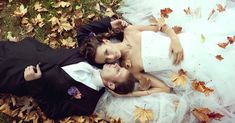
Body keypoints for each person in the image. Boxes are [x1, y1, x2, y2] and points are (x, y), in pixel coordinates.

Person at [77, 0, 235, 122]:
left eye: (107, 52)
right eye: (106, 59)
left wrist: (174, 39)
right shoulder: (130, 68)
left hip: (186, 42)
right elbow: (165, 89)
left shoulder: (130, 31)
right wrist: (133, 94)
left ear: (106, 42)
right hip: (191, 67)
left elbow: (161, 26)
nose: (112, 57)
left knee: (224, 41)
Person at [0, 33, 135, 119]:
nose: (117, 65)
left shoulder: (87, 103)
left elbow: (53, 111)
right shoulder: (96, 59)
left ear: (111, 84)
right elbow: (84, 32)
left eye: (118, 72)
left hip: (13, 75)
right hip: (20, 50)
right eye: (120, 67)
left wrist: (33, 84)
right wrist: (110, 25)